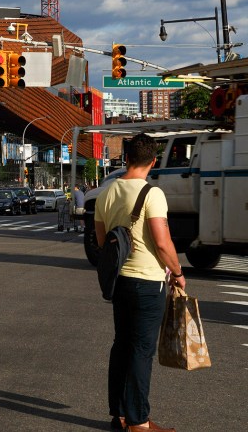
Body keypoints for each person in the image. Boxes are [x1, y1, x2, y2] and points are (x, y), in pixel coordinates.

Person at [95, 134, 184, 432]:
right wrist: (178, 272)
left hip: (119, 282)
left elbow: (102, 241)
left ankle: (119, 415)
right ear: (153, 161)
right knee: (141, 351)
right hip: (148, 284)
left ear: (127, 158)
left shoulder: (106, 192)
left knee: (122, 345)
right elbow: (162, 242)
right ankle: (139, 422)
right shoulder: (152, 193)